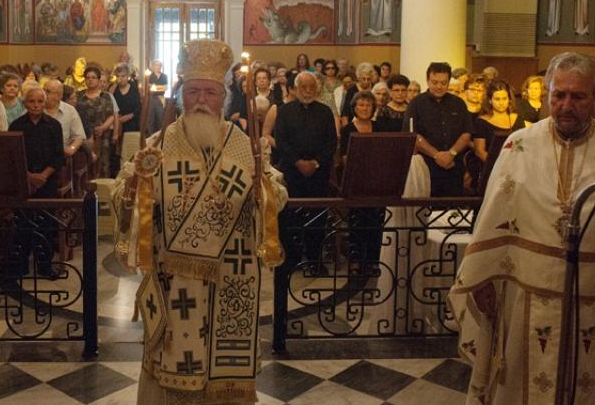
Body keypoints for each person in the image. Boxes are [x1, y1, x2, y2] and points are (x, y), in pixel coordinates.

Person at [449, 51, 595, 403]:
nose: (566, 105)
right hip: (524, 293)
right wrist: (483, 278)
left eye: (578, 96)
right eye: (559, 94)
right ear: (549, 93)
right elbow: (494, 216)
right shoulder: (518, 146)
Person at [111, 39, 287, 404]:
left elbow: (277, 195)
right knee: (174, 361)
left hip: (230, 276)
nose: (202, 100)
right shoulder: (158, 145)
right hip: (174, 281)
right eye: (194, 92)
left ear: (223, 98)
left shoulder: (244, 146)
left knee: (223, 369)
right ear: (180, 96)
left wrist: (263, 193)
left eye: (210, 91)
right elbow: (120, 197)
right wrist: (135, 187)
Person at [274, 72, 337, 275]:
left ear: (317, 89)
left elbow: (331, 142)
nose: (308, 91)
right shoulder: (285, 111)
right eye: (303, 87)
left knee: (317, 218)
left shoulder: (325, 112)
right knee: (291, 218)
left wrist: (315, 163)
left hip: (318, 175)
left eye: (311, 87)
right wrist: (297, 162)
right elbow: (281, 141)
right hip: (293, 174)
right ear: (295, 89)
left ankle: (315, 260)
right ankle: (292, 259)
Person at [9, 87, 65, 278]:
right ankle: (21, 265)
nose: (36, 105)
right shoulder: (16, 126)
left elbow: (59, 157)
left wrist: (43, 176)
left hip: (47, 181)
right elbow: (12, 155)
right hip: (23, 181)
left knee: (47, 224)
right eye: (32, 101)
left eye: (40, 101)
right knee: (22, 224)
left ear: (45, 102)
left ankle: (45, 266)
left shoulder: (54, 125)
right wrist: (29, 176)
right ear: (25, 103)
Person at [339, 91, 388, 281]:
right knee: (357, 223)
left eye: (368, 105)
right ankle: (356, 261)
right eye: (361, 105)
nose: (365, 108)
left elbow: (385, 152)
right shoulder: (347, 130)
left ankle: (373, 261)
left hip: (377, 182)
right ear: (354, 108)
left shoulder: (380, 126)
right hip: (357, 181)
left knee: (375, 222)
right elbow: (345, 157)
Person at [404, 62, 472, 196]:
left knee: (453, 212)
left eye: (443, 83)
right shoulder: (416, 104)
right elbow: (413, 135)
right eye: (435, 82)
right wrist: (437, 155)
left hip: (454, 166)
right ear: (428, 81)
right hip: (426, 167)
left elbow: (466, 134)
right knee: (426, 211)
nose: (439, 86)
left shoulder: (458, 103)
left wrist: (450, 154)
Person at [77, 65, 117, 177]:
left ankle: (103, 191)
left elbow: (111, 116)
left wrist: (102, 128)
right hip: (83, 136)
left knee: (104, 164)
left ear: (99, 80)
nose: (90, 80)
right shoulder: (78, 96)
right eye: (88, 77)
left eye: (93, 77)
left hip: (102, 135)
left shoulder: (106, 96)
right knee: (85, 164)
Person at [43, 79, 88, 159]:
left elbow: (79, 137)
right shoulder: (35, 109)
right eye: (43, 90)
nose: (44, 94)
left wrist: (72, 148)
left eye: (48, 91)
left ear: (58, 95)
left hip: (62, 156)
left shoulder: (70, 110)